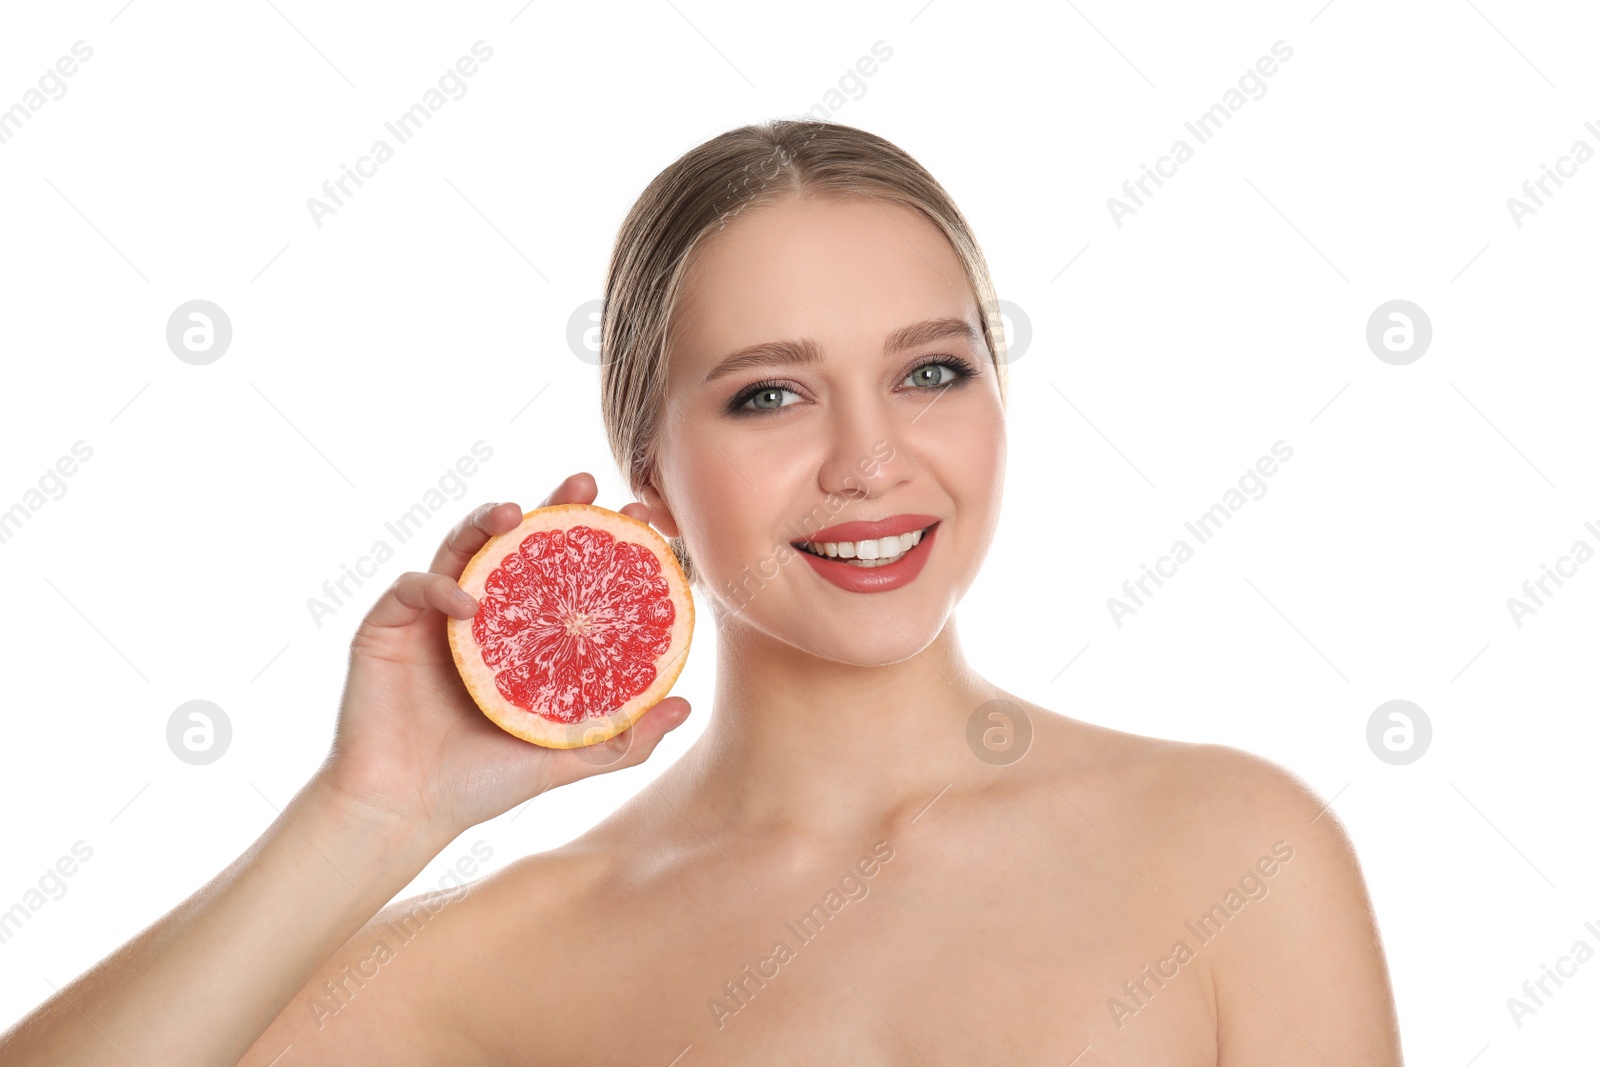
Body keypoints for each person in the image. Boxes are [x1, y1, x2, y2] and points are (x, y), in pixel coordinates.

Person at [0, 119, 1403, 1064]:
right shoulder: (502, 957)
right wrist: (369, 818)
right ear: (648, 471)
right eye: (770, 393)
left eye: (932, 371)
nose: (870, 459)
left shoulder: (1235, 852)